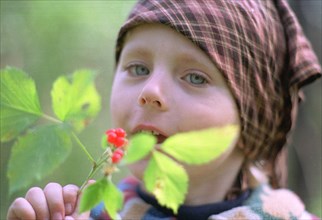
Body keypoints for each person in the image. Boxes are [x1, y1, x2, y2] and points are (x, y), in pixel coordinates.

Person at [7, 0, 321, 219]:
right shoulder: (91, 212)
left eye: (196, 77)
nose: (150, 92)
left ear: (253, 118)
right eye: (138, 68)